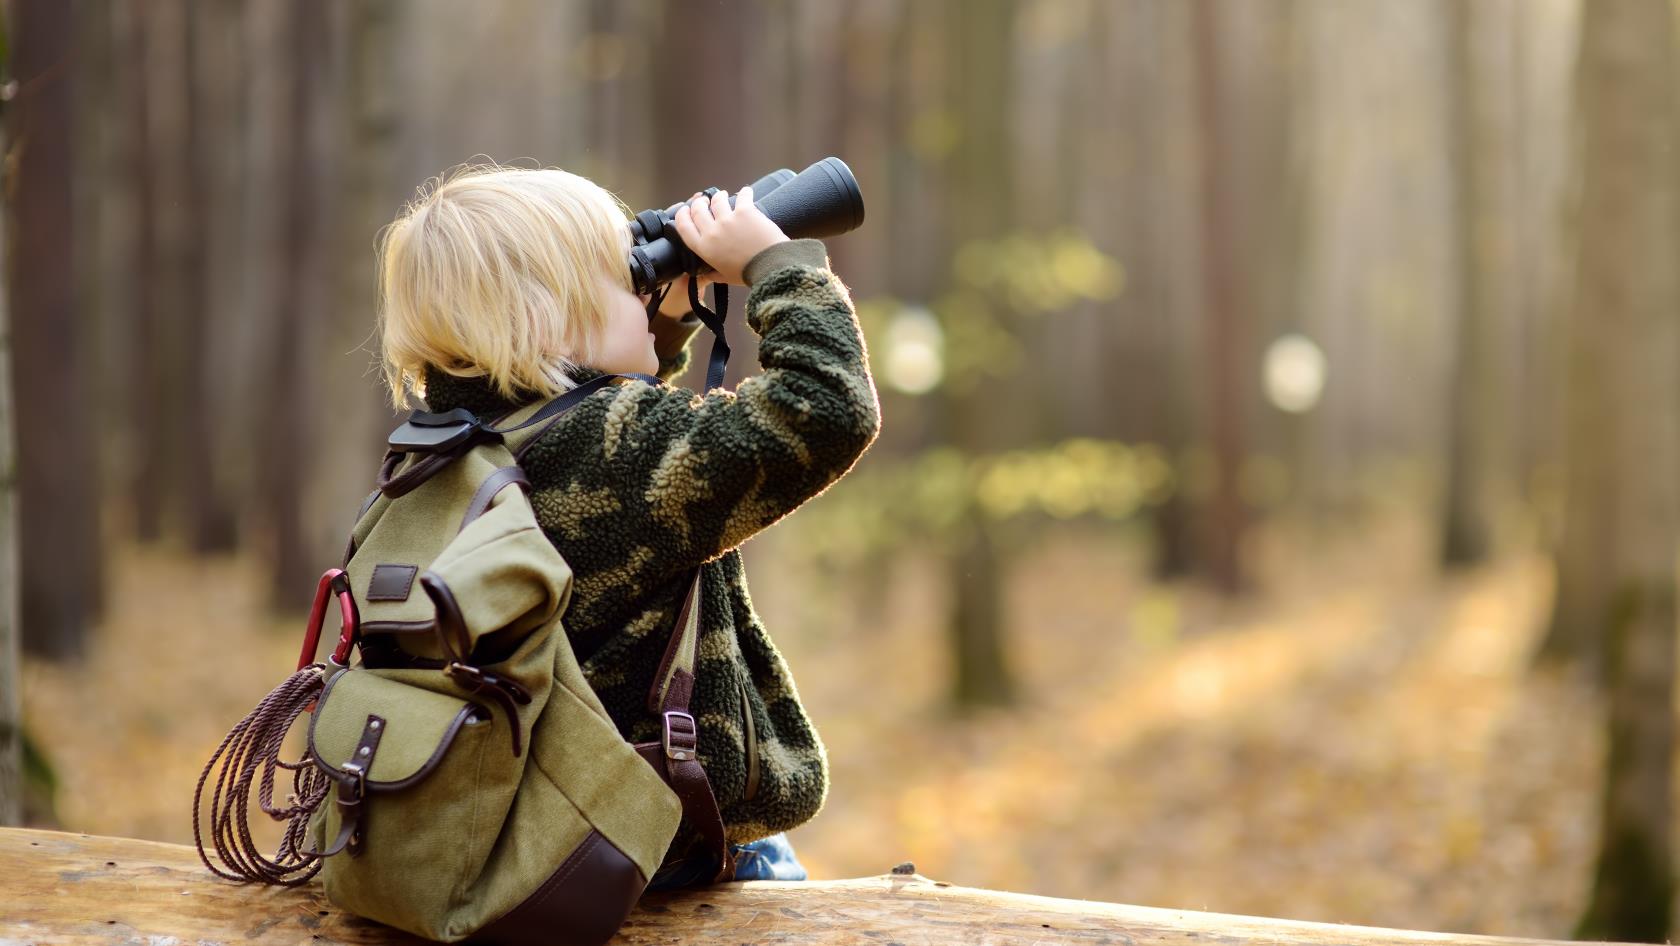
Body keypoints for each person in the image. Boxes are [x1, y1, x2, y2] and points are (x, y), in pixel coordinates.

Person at [373, 163, 881, 888]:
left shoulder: (451, 449)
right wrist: (778, 264)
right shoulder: (618, 449)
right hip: (671, 854)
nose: (645, 291)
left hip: (549, 834)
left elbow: (621, 457)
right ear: (549, 320)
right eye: (629, 279)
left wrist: (667, 317)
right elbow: (825, 410)